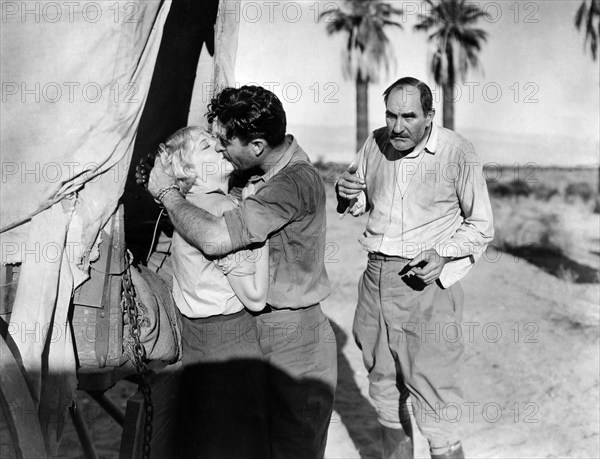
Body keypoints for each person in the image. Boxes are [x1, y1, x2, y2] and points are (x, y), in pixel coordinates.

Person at [146, 86, 337, 459]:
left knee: (290, 449)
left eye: (223, 142)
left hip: (292, 337)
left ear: (257, 146)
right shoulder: (250, 173)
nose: (219, 148)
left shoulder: (291, 184)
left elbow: (217, 238)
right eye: (213, 142)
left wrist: (169, 194)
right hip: (249, 330)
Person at [336, 77, 494, 459]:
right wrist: (347, 195)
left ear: (429, 116)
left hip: (424, 285)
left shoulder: (457, 152)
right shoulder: (375, 143)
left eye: (409, 116)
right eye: (391, 114)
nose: (397, 126)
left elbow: (482, 225)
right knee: (383, 386)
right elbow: (362, 202)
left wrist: (443, 254)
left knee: (433, 396)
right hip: (375, 277)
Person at [158, 126, 270, 458]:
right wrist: (258, 229)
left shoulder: (185, 211)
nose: (220, 149)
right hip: (231, 342)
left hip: (196, 344)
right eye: (207, 147)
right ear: (188, 170)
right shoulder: (222, 208)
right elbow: (256, 297)